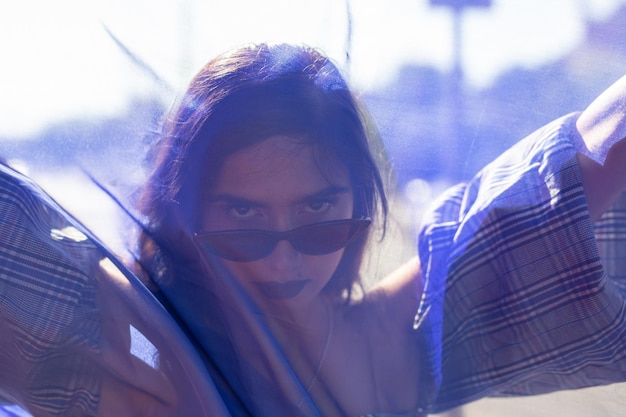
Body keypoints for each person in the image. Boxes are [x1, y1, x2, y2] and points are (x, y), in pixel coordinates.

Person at [134, 41, 626, 417]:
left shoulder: (393, 333)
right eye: (244, 216)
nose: (282, 260)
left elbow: (565, 180)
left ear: (360, 196)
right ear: (186, 208)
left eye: (318, 210)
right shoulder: (133, 334)